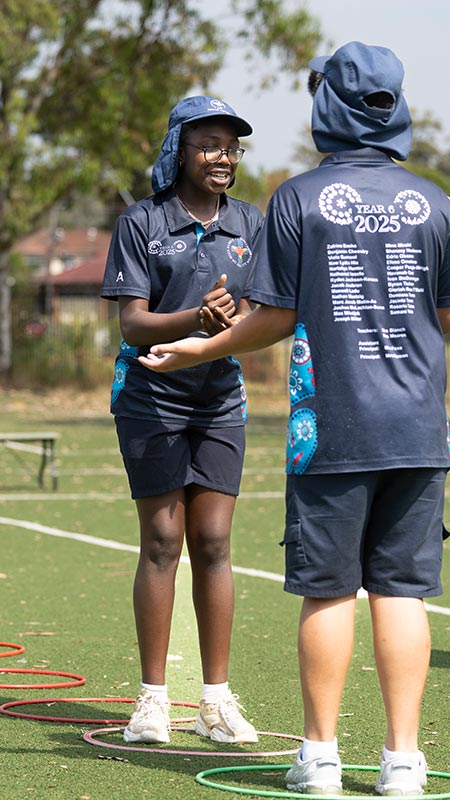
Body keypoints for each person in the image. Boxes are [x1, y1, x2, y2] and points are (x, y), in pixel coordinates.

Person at [138, 42, 450, 794]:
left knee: (330, 591)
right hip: (418, 432)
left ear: (330, 104)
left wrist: (194, 351)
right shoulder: (437, 203)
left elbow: (273, 316)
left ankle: (319, 757)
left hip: (332, 431)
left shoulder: (298, 199)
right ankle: (403, 762)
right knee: (404, 593)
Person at [101, 95, 264, 745]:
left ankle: (217, 704)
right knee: (164, 543)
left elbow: (262, 317)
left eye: (231, 146)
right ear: (179, 151)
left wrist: (234, 324)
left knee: (217, 543)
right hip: (150, 397)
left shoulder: (251, 223)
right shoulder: (142, 222)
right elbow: (133, 322)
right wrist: (196, 319)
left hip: (220, 399)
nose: (222, 156)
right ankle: (153, 702)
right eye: (209, 144)